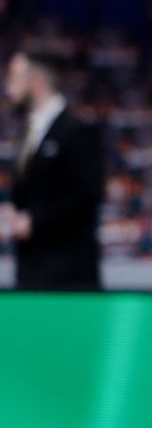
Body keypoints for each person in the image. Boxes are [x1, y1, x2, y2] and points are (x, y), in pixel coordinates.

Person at [3, 46, 106, 290]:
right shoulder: (30, 132)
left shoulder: (78, 132)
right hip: (31, 271)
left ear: (36, 82)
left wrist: (33, 221)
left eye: (14, 77)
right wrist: (12, 211)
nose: (8, 87)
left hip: (68, 277)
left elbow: (88, 196)